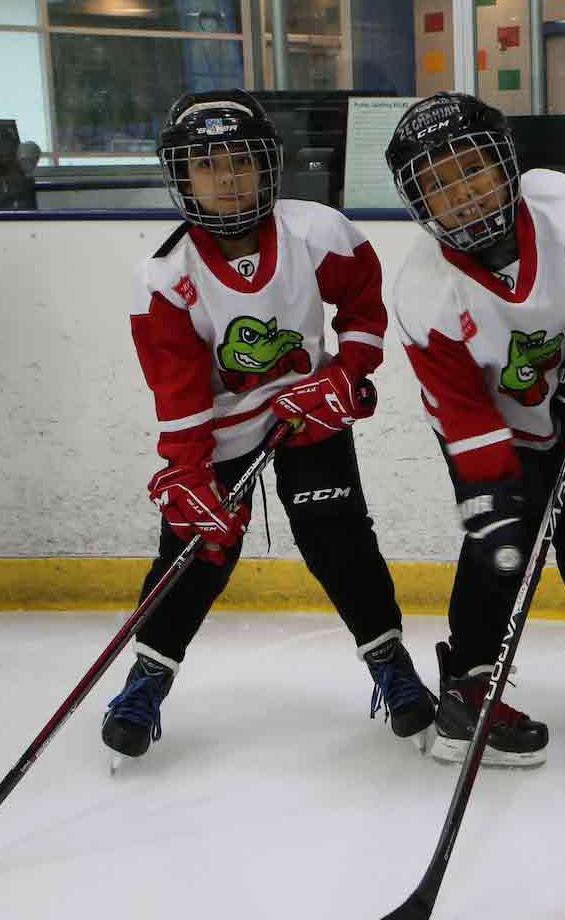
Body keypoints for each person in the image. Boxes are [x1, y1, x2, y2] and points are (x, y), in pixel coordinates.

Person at [104, 90, 434, 763]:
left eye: (240, 160)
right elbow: (179, 391)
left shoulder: (318, 233)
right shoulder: (166, 278)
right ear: (182, 176)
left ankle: (390, 665)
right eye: (206, 164)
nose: (226, 178)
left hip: (308, 411)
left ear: (268, 167)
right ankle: (146, 679)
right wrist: (188, 472)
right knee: (194, 555)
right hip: (218, 431)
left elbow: (365, 308)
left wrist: (346, 372)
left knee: (339, 536)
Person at [387, 92, 565, 768]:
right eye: (437, 185)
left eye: (471, 170)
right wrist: (493, 491)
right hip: (487, 427)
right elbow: (461, 411)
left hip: (563, 400)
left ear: (506, 163)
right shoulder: (424, 292)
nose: (460, 195)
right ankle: (468, 690)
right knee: (503, 546)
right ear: (418, 203)